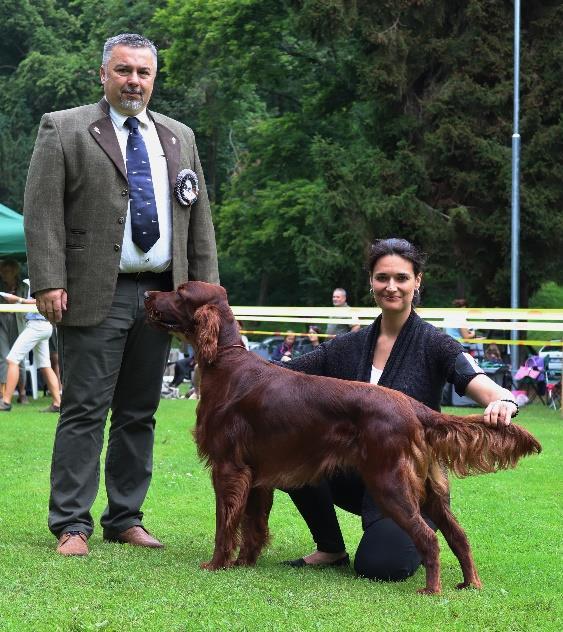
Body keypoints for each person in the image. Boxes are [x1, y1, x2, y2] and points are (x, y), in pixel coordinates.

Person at [23, 33, 219, 556]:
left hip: (161, 298)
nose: (134, 81)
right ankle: (71, 523)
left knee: (139, 412)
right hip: (92, 293)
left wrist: (204, 296)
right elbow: (41, 213)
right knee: (85, 409)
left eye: (143, 73)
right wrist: (47, 280)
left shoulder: (180, 136)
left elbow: (198, 222)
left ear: (154, 78)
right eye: (124, 70)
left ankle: (125, 517)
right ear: (103, 75)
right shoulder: (63, 128)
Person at [279, 238, 518, 581]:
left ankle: (413, 529)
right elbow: (284, 373)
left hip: (409, 485)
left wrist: (503, 399)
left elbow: (477, 379)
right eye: (382, 278)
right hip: (354, 472)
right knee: (287, 457)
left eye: (402, 278)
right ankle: (330, 547)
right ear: (371, 282)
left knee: (381, 566)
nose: (391, 287)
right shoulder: (349, 346)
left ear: (417, 281)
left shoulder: (434, 343)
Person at [0, 286, 61, 413]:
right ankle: (57, 403)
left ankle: (5, 402)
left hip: (37, 326)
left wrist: (18, 300)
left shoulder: (39, 280)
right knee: (45, 365)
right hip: (43, 325)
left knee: (12, 359)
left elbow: (41, 300)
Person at [0, 259, 27, 403]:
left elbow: (30, 302)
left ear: (14, 272)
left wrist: (17, 301)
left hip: (19, 323)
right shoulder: (0, 284)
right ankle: (3, 394)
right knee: (4, 357)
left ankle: (22, 393)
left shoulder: (23, 286)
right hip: (3, 323)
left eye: (6, 272)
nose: (3, 274)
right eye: (2, 272)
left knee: (20, 358)